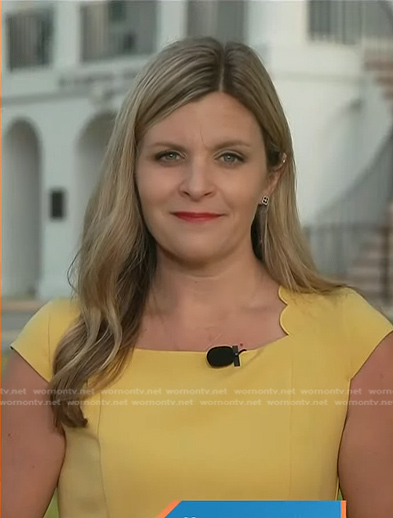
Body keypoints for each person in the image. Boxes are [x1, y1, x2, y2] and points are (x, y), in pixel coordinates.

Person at [2, 36, 393, 518]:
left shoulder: (353, 340)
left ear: (271, 177)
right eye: (168, 155)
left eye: (230, 157)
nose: (197, 185)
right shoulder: (59, 343)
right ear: (133, 171)